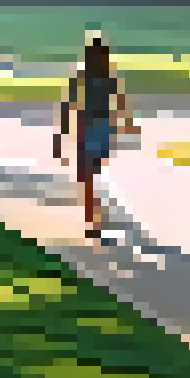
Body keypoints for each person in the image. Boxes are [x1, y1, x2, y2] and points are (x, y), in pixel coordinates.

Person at [56, 32, 136, 239]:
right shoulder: (105, 77)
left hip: (89, 128)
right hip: (101, 129)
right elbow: (120, 103)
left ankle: (93, 219)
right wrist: (126, 124)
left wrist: (62, 133)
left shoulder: (83, 76)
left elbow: (68, 106)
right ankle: (94, 218)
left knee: (88, 176)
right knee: (92, 175)